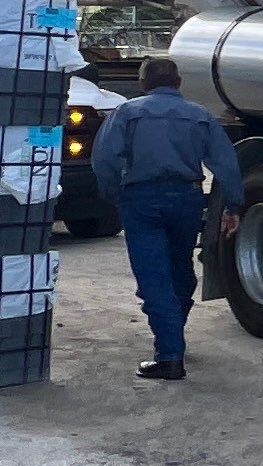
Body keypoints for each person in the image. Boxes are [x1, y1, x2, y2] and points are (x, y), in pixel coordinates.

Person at [86, 57, 242, 381]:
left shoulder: (128, 113)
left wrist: (115, 195)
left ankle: (170, 356)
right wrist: (233, 206)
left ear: (144, 84)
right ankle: (173, 330)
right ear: (178, 82)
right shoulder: (200, 115)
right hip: (186, 198)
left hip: (142, 200)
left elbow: (104, 158)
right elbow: (227, 164)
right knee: (179, 271)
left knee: (154, 276)